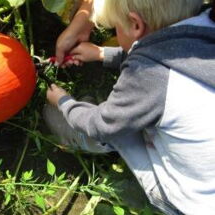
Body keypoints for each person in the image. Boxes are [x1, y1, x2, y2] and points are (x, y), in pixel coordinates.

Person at [44, 0, 215, 214]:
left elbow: (101, 123)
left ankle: (80, 140)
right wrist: (101, 53)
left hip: (190, 203)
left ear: (135, 25)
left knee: (118, 126)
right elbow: (172, 53)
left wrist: (64, 102)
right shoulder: (207, 22)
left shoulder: (148, 76)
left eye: (116, 25)